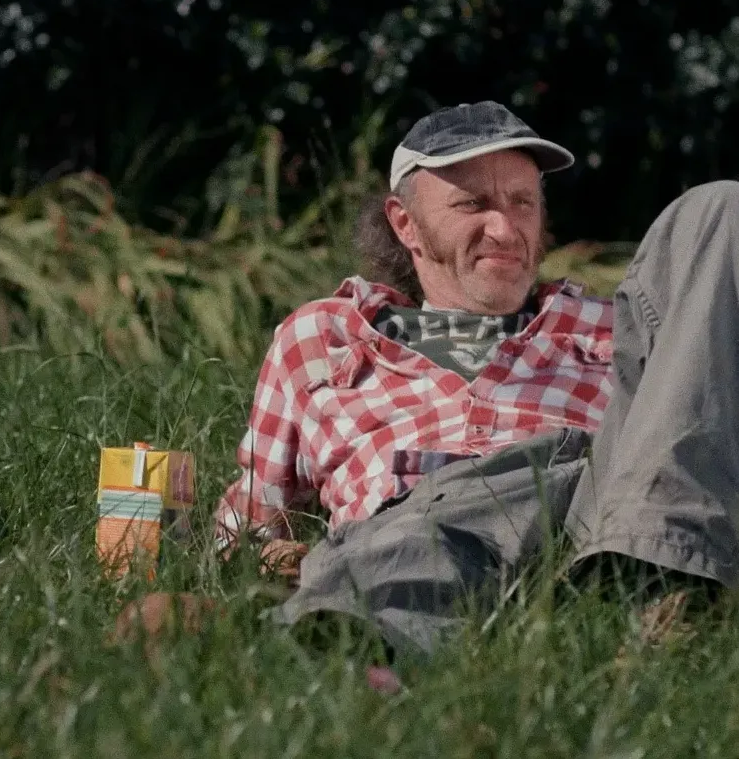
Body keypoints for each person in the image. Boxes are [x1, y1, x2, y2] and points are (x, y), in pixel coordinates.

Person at [124, 100, 737, 656]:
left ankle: (668, 593)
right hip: (417, 538)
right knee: (425, 533)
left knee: (720, 207)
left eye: (522, 202)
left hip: (594, 525)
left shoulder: (613, 328)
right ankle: (327, 644)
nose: (506, 229)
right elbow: (256, 522)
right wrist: (237, 551)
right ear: (406, 224)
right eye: (473, 205)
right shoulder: (324, 339)